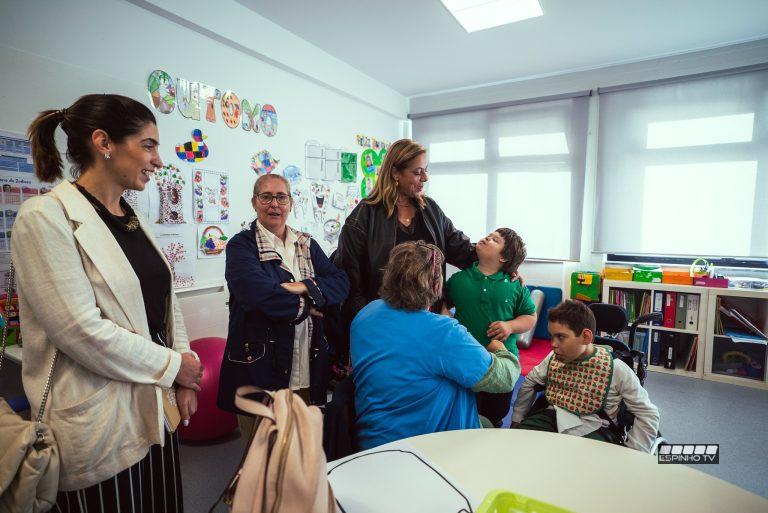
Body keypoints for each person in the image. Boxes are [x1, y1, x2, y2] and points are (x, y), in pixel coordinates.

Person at [13, 94, 202, 512]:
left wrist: (183, 371)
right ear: (104, 142)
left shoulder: (133, 220)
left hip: (155, 407)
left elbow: (167, 305)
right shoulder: (45, 217)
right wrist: (175, 368)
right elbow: (81, 331)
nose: (157, 159)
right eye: (148, 145)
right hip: (100, 419)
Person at [217, 173, 349, 441]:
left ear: (290, 203)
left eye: (281, 197)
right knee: (261, 455)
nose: (274, 204)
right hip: (261, 369)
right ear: (254, 202)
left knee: (303, 450)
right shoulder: (241, 246)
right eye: (266, 197)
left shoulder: (307, 244)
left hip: (307, 368)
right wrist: (308, 306)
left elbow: (341, 283)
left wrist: (304, 287)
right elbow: (258, 295)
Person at [351, 242, 520, 450]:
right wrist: (502, 351)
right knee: (492, 433)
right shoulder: (443, 333)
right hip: (428, 448)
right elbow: (505, 379)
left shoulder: (366, 314)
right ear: (436, 285)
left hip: (373, 440)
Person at [335, 139, 476, 367]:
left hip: (426, 317)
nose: (425, 178)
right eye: (417, 172)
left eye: (426, 171)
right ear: (395, 173)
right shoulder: (364, 216)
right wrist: (366, 326)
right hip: (383, 321)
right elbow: (351, 281)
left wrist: (505, 264)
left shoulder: (430, 210)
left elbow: (462, 250)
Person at [511, 300, 660, 453]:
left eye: (560, 337)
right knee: (517, 448)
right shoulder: (553, 358)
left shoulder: (617, 368)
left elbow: (647, 413)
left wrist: (634, 452)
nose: (553, 344)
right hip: (550, 417)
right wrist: (517, 419)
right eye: (551, 337)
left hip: (595, 426)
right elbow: (530, 382)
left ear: (586, 337)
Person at [445, 228, 537, 427]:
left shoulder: (515, 285)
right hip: (467, 360)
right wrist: (449, 323)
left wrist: (510, 326)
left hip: (501, 365)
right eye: (489, 235)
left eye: (495, 240)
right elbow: (440, 304)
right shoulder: (459, 280)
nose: (487, 237)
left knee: (494, 416)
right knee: (464, 413)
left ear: (504, 257)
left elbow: (530, 316)